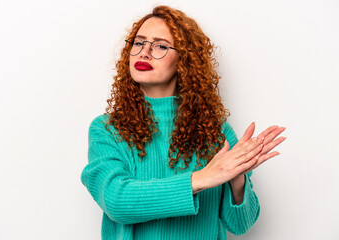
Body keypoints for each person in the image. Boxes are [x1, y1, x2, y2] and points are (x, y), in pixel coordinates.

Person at [80, 5, 286, 240]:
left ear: (183, 61)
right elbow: (116, 200)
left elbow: (240, 224)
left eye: (160, 46)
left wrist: (236, 176)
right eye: (138, 43)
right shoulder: (107, 129)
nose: (144, 53)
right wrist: (204, 177)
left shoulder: (215, 131)